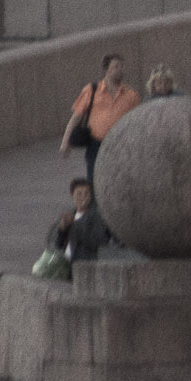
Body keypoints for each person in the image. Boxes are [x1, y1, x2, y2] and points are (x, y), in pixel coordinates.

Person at [59, 53, 139, 186]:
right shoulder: (92, 90)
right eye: (116, 67)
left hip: (121, 145)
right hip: (96, 143)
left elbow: (137, 122)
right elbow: (75, 118)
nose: (120, 70)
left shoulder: (131, 95)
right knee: (95, 181)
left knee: (120, 182)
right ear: (107, 70)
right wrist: (65, 142)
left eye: (121, 67)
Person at [48, 178, 109, 263]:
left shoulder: (96, 216)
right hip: (65, 264)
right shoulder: (70, 214)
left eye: (87, 193)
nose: (83, 197)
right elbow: (58, 244)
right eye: (79, 194)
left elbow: (97, 241)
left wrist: (75, 224)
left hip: (84, 263)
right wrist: (62, 229)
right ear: (72, 195)